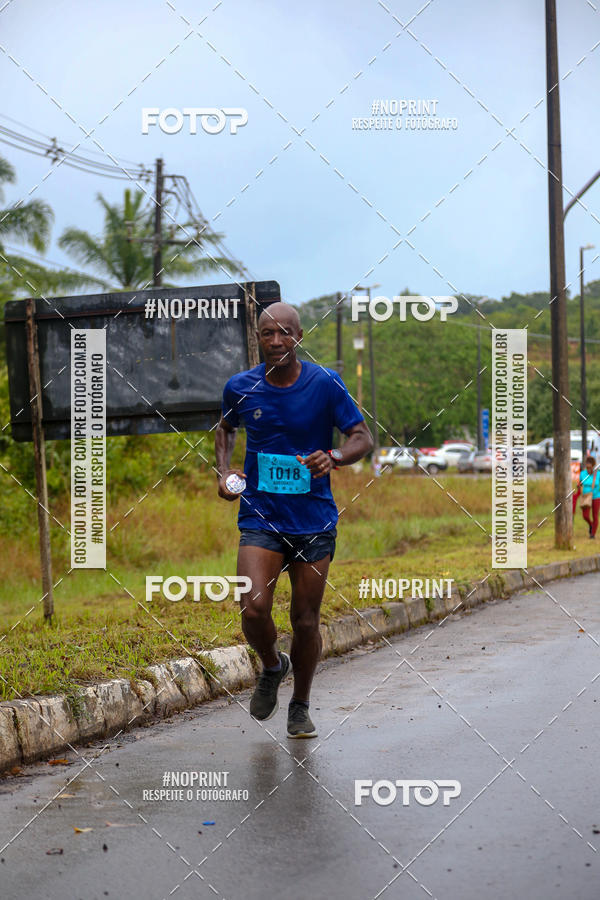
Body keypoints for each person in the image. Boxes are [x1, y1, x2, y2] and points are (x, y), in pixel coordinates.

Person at [215, 302, 373, 738]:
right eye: (268, 333)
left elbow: (362, 437)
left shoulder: (326, 384)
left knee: (305, 619)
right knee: (253, 607)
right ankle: (271, 665)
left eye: (286, 332)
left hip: (314, 521)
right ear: (258, 338)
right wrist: (225, 471)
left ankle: (300, 705)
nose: (277, 340)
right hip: (261, 516)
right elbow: (226, 428)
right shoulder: (240, 387)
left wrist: (335, 455)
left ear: (299, 337)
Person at [578, 455, 600, 538]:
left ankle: (592, 534)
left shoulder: (597, 474)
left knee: (595, 515)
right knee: (585, 515)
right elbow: (580, 483)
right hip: (586, 497)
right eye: (587, 466)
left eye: (590, 466)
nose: (588, 468)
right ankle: (591, 525)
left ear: (593, 466)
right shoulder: (583, 473)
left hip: (596, 497)